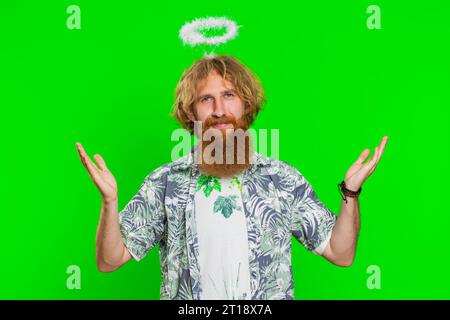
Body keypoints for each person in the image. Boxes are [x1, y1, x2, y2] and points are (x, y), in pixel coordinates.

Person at [75, 54, 388, 300]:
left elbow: (340, 252)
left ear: (246, 105)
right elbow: (109, 260)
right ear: (191, 114)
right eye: (206, 99)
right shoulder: (166, 182)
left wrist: (350, 192)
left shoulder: (281, 179)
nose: (219, 109)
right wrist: (109, 202)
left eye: (229, 95)